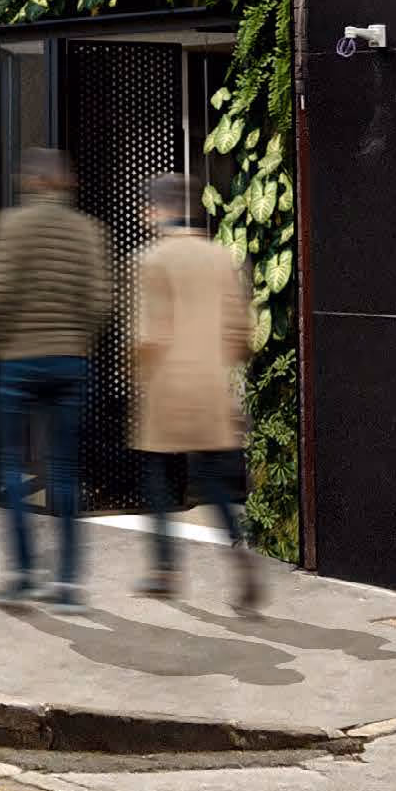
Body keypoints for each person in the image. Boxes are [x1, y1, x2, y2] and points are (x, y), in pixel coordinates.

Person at [0, 146, 113, 607]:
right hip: (70, 362)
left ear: (32, 183)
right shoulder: (90, 232)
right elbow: (101, 301)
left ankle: (24, 573)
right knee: (66, 470)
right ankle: (68, 581)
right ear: (65, 183)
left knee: (11, 467)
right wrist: (78, 339)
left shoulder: (5, 227)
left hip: (16, 360)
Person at [130, 171, 259, 610]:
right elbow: (241, 331)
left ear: (159, 209)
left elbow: (148, 335)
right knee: (213, 482)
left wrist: (138, 381)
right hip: (210, 385)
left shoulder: (154, 259)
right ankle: (239, 556)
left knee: (158, 480)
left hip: (168, 386)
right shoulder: (220, 257)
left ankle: (164, 571)